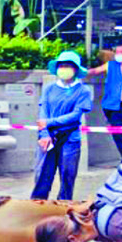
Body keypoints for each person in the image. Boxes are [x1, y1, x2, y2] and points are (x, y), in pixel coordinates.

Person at [31, 51, 93, 200]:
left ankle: (64, 207)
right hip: (48, 138)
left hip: (70, 139)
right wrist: (44, 134)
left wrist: (50, 122)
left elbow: (75, 115)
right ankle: (37, 205)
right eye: (61, 65)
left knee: (67, 175)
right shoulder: (49, 89)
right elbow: (43, 111)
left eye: (68, 65)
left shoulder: (83, 91)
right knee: (42, 175)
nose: (64, 68)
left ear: (76, 69)